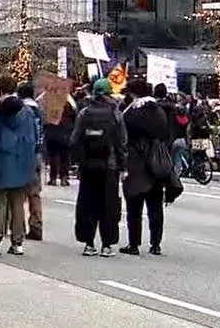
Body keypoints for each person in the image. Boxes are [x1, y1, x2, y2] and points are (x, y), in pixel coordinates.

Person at [0, 74, 38, 258]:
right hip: (22, 162)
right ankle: (17, 242)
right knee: (18, 204)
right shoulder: (27, 112)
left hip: (0, 163)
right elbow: (35, 137)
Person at [69, 78, 126, 256]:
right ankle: (107, 245)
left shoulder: (84, 113)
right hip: (109, 165)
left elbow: (74, 139)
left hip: (88, 165)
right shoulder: (116, 113)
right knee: (108, 204)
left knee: (88, 203)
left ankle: (88, 243)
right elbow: (122, 142)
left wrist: (77, 161)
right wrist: (123, 166)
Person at [121, 80, 173, 256]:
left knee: (134, 207)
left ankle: (134, 244)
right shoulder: (159, 112)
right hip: (155, 163)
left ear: (133, 93)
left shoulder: (131, 113)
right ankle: (155, 244)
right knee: (155, 206)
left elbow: (123, 136)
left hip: (136, 163)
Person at [17, 82, 45, 241]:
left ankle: (17, 227)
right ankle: (36, 225)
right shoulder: (39, 111)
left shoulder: (21, 111)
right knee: (34, 193)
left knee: (18, 193)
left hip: (23, 154)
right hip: (37, 153)